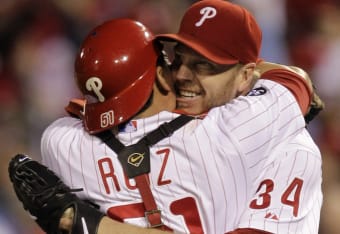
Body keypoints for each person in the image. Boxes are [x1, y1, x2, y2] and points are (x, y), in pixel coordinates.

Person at [11, 1, 323, 234]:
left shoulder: (62, 140)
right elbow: (293, 84)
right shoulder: (239, 130)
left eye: (205, 66)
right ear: (161, 74)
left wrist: (84, 222)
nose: (184, 75)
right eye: (178, 60)